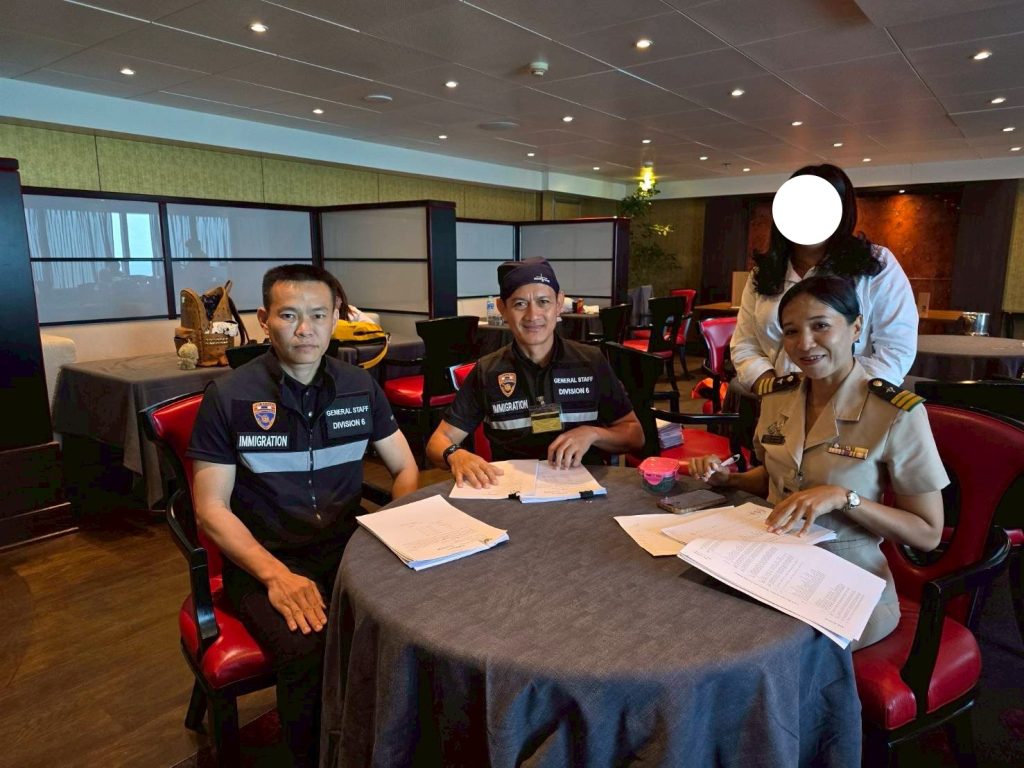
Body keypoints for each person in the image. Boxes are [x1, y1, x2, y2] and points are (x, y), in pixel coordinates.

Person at [186, 264, 418, 767]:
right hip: (265, 558)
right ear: (264, 319)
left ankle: (383, 745)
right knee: (307, 651)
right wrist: (275, 575)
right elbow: (210, 508)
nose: (305, 329)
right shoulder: (230, 396)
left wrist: (394, 530)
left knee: (411, 625)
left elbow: (405, 468)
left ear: (336, 318)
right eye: (289, 315)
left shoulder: (359, 386)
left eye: (318, 315)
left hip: (350, 548)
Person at [692, 275, 946, 649]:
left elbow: (927, 533)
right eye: (791, 331)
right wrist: (728, 480)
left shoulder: (895, 413)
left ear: (856, 327)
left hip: (848, 583)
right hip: (772, 563)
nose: (805, 344)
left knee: (758, 649)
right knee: (697, 617)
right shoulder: (778, 397)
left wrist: (845, 498)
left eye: (821, 326)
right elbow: (775, 481)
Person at [426, 258, 644, 488]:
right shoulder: (487, 371)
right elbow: (437, 442)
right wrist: (456, 454)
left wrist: (593, 433)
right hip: (512, 492)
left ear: (559, 304)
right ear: (502, 308)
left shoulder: (590, 362)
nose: (533, 315)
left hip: (584, 490)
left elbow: (635, 435)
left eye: (543, 302)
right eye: (520, 304)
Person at [732, 163, 918, 394]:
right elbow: (745, 344)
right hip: (774, 399)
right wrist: (775, 392)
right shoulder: (765, 271)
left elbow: (896, 348)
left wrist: (839, 399)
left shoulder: (876, 263)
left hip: (854, 401)